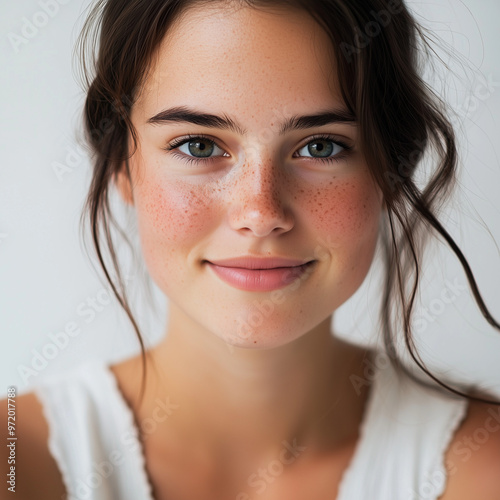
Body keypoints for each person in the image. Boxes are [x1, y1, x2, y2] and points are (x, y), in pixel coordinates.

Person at [2, 0, 500, 499]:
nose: (260, 212)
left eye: (321, 146)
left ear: (391, 174)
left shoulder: (485, 469)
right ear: (122, 168)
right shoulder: (16, 461)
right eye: (198, 145)